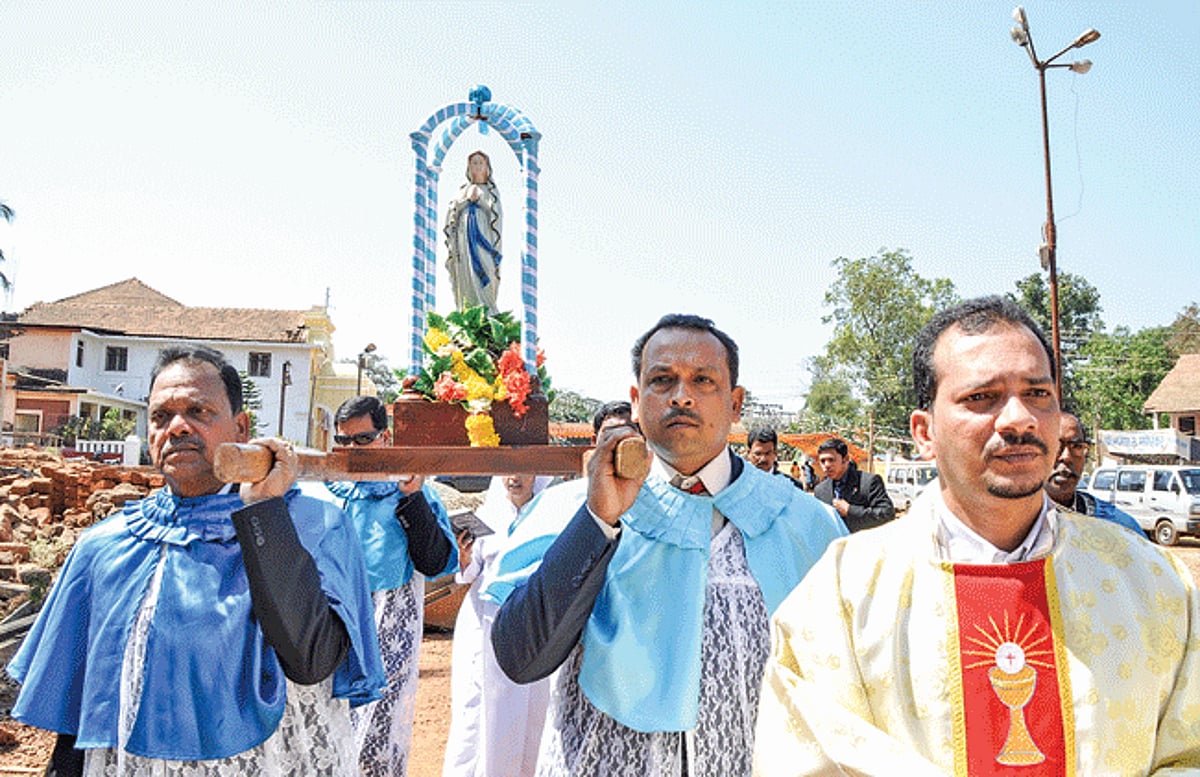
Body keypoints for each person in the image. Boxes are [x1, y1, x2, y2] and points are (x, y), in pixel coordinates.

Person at [753, 296, 1200, 775]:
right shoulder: (843, 593)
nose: (1019, 418)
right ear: (924, 433)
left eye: (1038, 394)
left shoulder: (1151, 581)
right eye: (982, 398)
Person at [486, 314, 846, 777]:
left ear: (735, 403)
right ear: (636, 401)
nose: (681, 394)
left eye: (703, 380)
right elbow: (522, 658)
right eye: (662, 380)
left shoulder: (805, 523)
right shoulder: (572, 507)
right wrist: (598, 522)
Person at [8, 345, 384, 775]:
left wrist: (263, 513)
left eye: (199, 411)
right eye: (161, 416)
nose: (177, 427)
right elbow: (76, 718)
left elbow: (311, 660)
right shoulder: (103, 546)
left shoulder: (310, 524)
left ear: (241, 428)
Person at [321, 395, 458, 777]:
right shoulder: (326, 492)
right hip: (333, 625)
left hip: (389, 623)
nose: (352, 450)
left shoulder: (413, 491)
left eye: (362, 440)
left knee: (376, 731)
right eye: (344, 441)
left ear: (386, 438)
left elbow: (434, 561)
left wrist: (411, 499)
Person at [443, 473, 553, 777]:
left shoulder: (551, 513)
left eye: (523, 471)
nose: (514, 479)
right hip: (484, 621)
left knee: (532, 708)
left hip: (531, 621)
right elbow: (468, 574)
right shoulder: (488, 514)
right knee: (477, 709)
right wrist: (463, 555)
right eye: (508, 471)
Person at [1044, 410, 1143, 535]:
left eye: (1077, 447)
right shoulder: (1016, 525)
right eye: (1056, 446)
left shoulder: (1115, 525)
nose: (1067, 457)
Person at [444, 149, 503, 313]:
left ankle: (488, 310)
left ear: (487, 168)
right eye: (474, 163)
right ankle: (467, 311)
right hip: (463, 240)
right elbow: (451, 214)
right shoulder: (462, 190)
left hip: (484, 238)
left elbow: (496, 215)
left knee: (486, 268)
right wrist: (465, 200)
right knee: (465, 272)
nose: (477, 167)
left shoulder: (491, 192)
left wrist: (481, 201)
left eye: (480, 163)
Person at [812, 437, 895, 531]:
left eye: (831, 460)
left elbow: (887, 514)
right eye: (823, 461)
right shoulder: (820, 490)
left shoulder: (868, 482)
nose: (826, 465)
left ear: (845, 459)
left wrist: (850, 510)